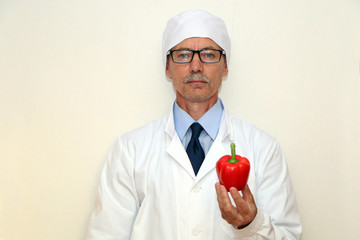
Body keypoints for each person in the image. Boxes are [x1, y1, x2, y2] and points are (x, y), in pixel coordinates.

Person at [86, 9, 302, 240]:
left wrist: (251, 224)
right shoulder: (130, 150)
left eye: (209, 54)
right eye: (183, 54)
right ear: (168, 67)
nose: (196, 66)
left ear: (225, 66)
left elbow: (289, 236)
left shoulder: (264, 148)